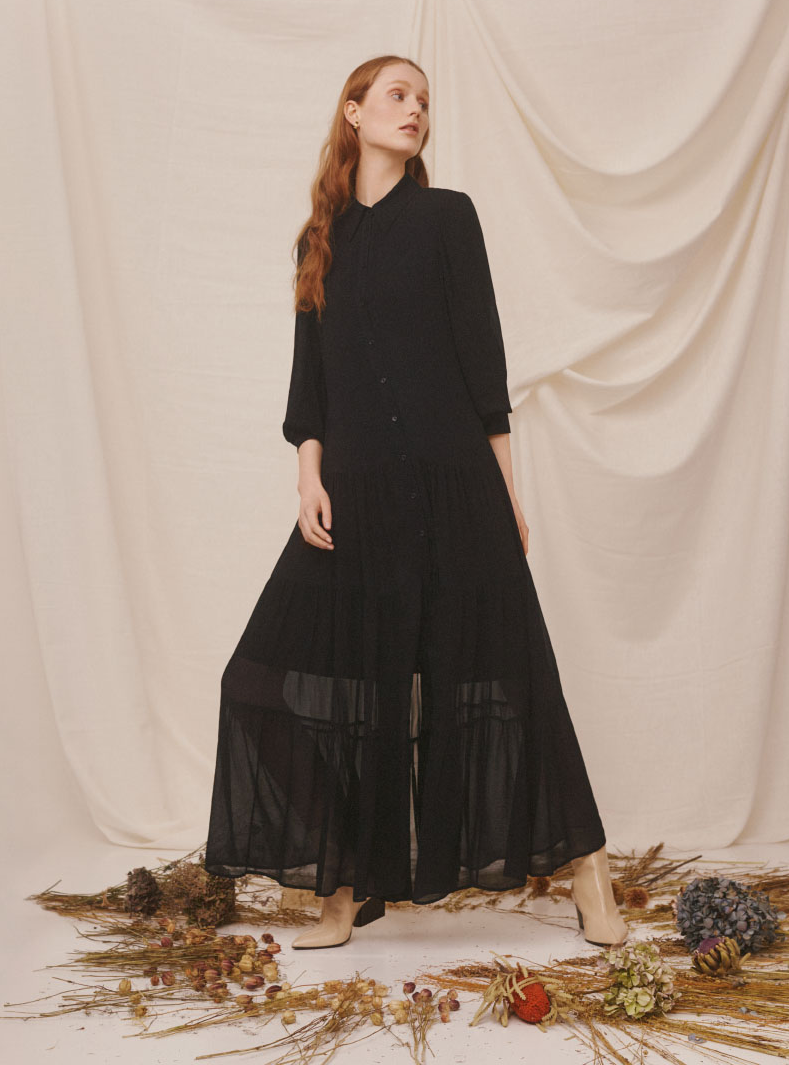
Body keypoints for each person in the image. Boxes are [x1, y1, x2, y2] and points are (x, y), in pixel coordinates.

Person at [203, 54, 628, 951]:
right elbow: (310, 379)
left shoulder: (446, 217)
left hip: (453, 482)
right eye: (397, 95)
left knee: (511, 678)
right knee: (267, 678)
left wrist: (506, 491)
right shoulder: (319, 240)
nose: (415, 110)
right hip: (355, 491)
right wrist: (308, 475)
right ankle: (343, 880)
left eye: (424, 101)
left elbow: (482, 360)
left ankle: (589, 872)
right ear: (352, 112)